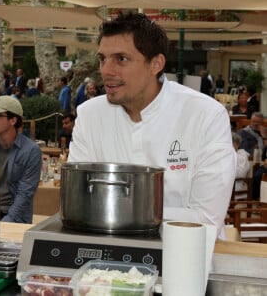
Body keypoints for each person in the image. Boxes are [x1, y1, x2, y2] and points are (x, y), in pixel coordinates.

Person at [68, 12, 235, 238]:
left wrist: (113, 211)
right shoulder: (89, 114)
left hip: (187, 258)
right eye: (102, 59)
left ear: (155, 64)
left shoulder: (205, 115)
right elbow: (79, 204)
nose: (106, 70)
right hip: (107, 258)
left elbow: (206, 218)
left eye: (121, 59)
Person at [232, 132, 251, 200]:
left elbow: (241, 174)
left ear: (236, 144)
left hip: (235, 185)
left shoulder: (242, 156)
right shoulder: (224, 154)